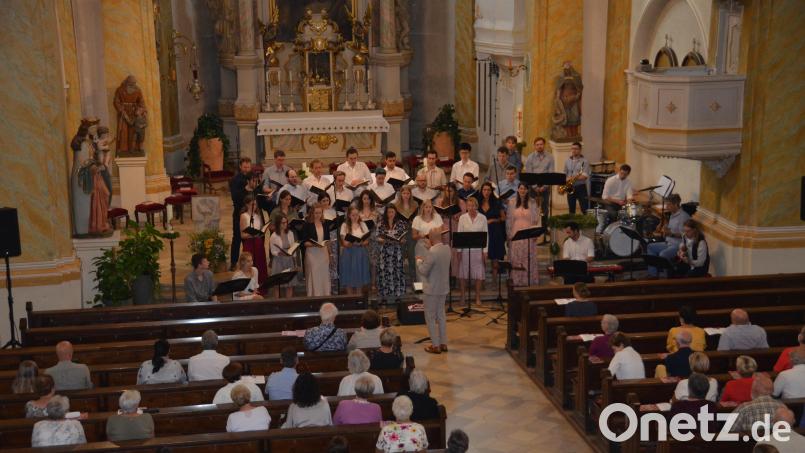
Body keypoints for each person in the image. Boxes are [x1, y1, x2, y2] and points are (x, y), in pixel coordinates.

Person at [417, 228, 451, 354]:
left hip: (432, 290)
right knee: (441, 316)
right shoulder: (447, 249)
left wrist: (419, 261)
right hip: (443, 288)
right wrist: (429, 249)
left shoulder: (433, 251)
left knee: (430, 318)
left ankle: (435, 345)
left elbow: (423, 271)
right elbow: (437, 262)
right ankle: (443, 343)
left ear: (431, 238)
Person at [646, 194, 690, 277]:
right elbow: (670, 230)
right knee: (650, 247)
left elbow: (684, 235)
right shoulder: (672, 214)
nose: (666, 206)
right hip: (668, 242)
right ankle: (653, 274)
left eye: (668, 204)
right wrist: (665, 228)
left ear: (676, 204)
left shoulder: (683, 217)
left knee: (663, 254)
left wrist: (671, 234)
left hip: (678, 245)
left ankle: (665, 278)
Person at [506, 183, 541, 286]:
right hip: (515, 234)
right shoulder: (512, 202)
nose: (522, 190)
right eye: (521, 188)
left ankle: (528, 281)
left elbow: (535, 220)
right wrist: (509, 235)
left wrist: (535, 234)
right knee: (516, 258)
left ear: (527, 190)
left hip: (528, 234)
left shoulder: (532, 202)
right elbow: (508, 220)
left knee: (527, 257)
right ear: (518, 190)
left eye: (525, 189)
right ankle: (517, 281)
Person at [457, 196, 488, 307]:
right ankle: (463, 297)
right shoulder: (462, 218)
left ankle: (477, 297)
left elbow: (486, 235)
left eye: (473, 205)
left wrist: (485, 251)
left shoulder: (482, 218)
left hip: (478, 250)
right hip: (465, 250)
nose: (471, 208)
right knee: (463, 274)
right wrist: (459, 251)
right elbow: (459, 234)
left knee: (478, 274)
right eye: (469, 205)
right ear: (466, 206)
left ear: (476, 206)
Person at [376, 204, 408, 304]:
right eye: (389, 212)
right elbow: (377, 237)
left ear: (395, 212)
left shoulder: (400, 223)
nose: (390, 214)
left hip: (396, 251)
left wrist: (402, 240)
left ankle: (398, 296)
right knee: (384, 273)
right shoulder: (381, 223)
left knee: (397, 272)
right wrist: (382, 240)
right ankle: (384, 297)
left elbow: (403, 238)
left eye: (392, 212)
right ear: (386, 213)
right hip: (385, 251)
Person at [229, 157, 255, 269]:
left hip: (252, 213)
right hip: (239, 213)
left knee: (250, 237)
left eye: (248, 167)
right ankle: (234, 262)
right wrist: (246, 189)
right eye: (245, 167)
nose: (247, 169)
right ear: (240, 166)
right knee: (237, 238)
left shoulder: (253, 177)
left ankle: (250, 261)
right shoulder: (235, 180)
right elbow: (235, 197)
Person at [339, 207, 372, 295]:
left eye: (357, 215)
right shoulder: (344, 225)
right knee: (348, 275)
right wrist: (353, 243)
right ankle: (350, 299)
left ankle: (359, 297)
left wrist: (361, 243)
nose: (355, 217)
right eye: (353, 215)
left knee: (359, 277)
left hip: (360, 252)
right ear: (349, 215)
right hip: (348, 253)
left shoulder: (362, 224)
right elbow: (344, 242)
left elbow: (367, 240)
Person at [268, 214, 301, 298]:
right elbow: (272, 251)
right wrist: (279, 253)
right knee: (277, 285)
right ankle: (277, 303)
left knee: (289, 284)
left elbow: (293, 247)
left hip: (289, 259)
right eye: (283, 223)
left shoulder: (290, 233)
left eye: (286, 222)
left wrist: (295, 262)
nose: (285, 224)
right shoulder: (274, 236)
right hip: (279, 260)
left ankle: (288, 303)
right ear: (278, 224)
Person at [478, 182, 505, 281]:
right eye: (484, 190)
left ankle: (494, 281)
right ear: (481, 191)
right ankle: (482, 281)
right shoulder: (478, 202)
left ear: (491, 191)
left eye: (488, 190)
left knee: (495, 258)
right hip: (482, 232)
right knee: (482, 259)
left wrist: (493, 220)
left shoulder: (497, 202)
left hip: (495, 231)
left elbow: (503, 218)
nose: (486, 192)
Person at [524, 137, 554, 226]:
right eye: (537, 145)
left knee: (545, 208)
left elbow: (551, 172)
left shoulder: (550, 157)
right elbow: (529, 173)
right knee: (532, 207)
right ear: (534, 146)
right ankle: (533, 226)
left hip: (545, 185)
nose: (539, 146)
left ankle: (544, 227)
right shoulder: (530, 157)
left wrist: (544, 186)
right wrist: (535, 187)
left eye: (541, 144)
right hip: (533, 185)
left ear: (544, 145)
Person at [302, 205, 332, 296]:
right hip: (312, 253)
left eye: (320, 213)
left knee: (324, 274)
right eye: (316, 213)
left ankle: (325, 295)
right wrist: (315, 244)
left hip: (323, 253)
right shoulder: (307, 224)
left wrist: (330, 254)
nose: (318, 215)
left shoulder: (325, 223)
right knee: (314, 274)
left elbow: (327, 240)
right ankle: (313, 295)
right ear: (312, 213)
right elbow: (304, 242)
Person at [437, 184, 464, 279]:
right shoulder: (440, 202)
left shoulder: (460, 202)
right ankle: (445, 276)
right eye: (447, 191)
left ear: (455, 192)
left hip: (455, 229)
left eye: (451, 191)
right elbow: (436, 218)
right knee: (445, 253)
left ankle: (454, 276)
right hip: (444, 230)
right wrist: (442, 215)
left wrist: (457, 218)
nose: (449, 193)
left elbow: (464, 218)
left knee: (455, 254)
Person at [239, 194, 268, 285]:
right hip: (249, 243)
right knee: (249, 264)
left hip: (258, 242)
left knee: (260, 264)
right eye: (252, 204)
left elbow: (261, 230)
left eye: (255, 204)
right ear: (247, 205)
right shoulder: (244, 216)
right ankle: (249, 286)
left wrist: (261, 231)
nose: (254, 206)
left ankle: (261, 285)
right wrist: (252, 234)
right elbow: (242, 235)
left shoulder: (258, 215)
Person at [597, 164, 634, 234]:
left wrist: (629, 203)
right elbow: (604, 196)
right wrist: (617, 201)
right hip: (609, 202)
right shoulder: (610, 180)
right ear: (619, 171)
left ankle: (625, 232)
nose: (622, 176)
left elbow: (629, 196)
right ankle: (609, 232)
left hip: (621, 203)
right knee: (613, 214)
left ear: (628, 174)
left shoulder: (628, 182)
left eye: (625, 174)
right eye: (621, 173)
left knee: (630, 214)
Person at [394, 185, 419, 283]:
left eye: (408, 193)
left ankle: (414, 281)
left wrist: (414, 222)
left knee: (412, 257)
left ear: (410, 194)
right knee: (400, 256)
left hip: (411, 232)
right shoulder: (396, 205)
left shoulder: (415, 205)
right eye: (404, 193)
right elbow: (394, 221)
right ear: (401, 194)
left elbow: (418, 219)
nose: (406, 195)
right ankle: (399, 281)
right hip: (401, 233)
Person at [563, 142, 590, 214]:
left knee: (584, 209)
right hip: (570, 187)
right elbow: (565, 174)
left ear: (580, 150)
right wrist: (565, 180)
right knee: (571, 209)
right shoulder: (567, 161)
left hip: (581, 187)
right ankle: (572, 225)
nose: (573, 150)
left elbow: (584, 176)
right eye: (572, 148)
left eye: (576, 149)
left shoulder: (584, 161)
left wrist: (572, 178)